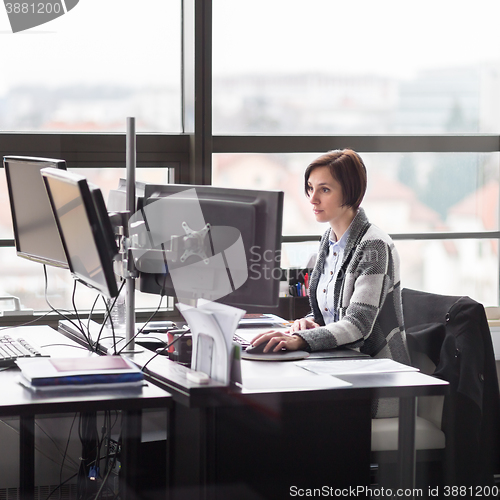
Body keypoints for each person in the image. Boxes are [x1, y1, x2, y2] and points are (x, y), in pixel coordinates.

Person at [251, 149, 410, 418]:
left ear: (351, 193)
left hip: (377, 381)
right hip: (341, 366)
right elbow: (331, 312)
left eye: (324, 190)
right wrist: (309, 322)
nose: (312, 199)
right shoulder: (330, 239)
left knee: (289, 414)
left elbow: (358, 323)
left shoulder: (374, 246)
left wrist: (300, 339)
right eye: (310, 188)